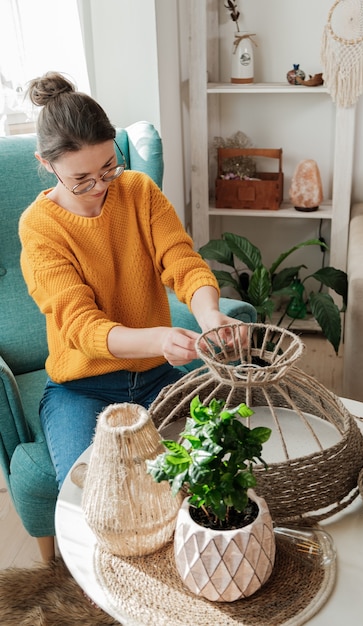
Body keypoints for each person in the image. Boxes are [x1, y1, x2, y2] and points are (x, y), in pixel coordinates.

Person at [19, 71, 241, 489]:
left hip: (158, 377)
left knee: (214, 473)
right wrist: (158, 339)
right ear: (46, 165)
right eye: (81, 180)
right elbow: (81, 326)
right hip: (82, 389)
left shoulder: (139, 190)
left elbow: (182, 261)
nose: (100, 186)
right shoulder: (39, 227)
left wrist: (209, 314)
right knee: (98, 495)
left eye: (108, 168)